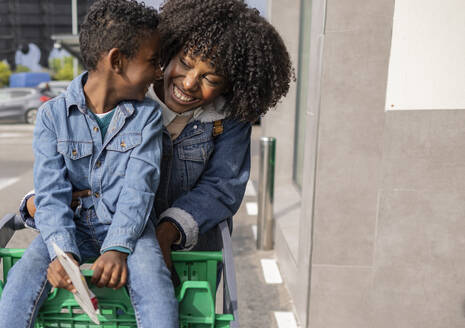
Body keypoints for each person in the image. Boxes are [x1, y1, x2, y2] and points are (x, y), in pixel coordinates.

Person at [20, 0, 293, 279]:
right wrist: (36, 201)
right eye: (184, 64)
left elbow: (222, 188)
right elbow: (76, 157)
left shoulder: (229, 119)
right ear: (169, 50)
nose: (188, 83)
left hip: (190, 258)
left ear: (230, 85)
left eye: (210, 78)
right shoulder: (130, 96)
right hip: (111, 250)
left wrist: (167, 232)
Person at [0, 1, 178, 327]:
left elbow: (139, 189)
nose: (159, 73)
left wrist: (118, 248)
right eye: (152, 62)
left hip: (132, 234)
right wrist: (61, 254)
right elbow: (51, 194)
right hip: (69, 229)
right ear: (117, 61)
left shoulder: (148, 117)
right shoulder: (52, 116)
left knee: (156, 288)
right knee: (19, 283)